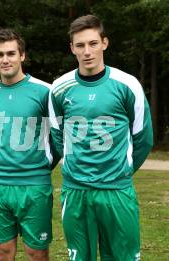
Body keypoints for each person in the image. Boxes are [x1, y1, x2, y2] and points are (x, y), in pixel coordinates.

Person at [48, 14, 153, 261]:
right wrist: (78, 167)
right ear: (72, 48)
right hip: (76, 191)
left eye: (93, 43)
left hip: (116, 190)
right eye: (80, 45)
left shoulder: (127, 84)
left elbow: (143, 138)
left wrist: (121, 170)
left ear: (104, 43)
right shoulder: (59, 88)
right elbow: (57, 135)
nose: (87, 51)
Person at [0, 29, 59, 261]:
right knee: (2, 251)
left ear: (22, 55)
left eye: (11, 53)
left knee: (37, 252)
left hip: (34, 185)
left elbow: (58, 136)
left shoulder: (45, 92)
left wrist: (44, 163)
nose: (5, 59)